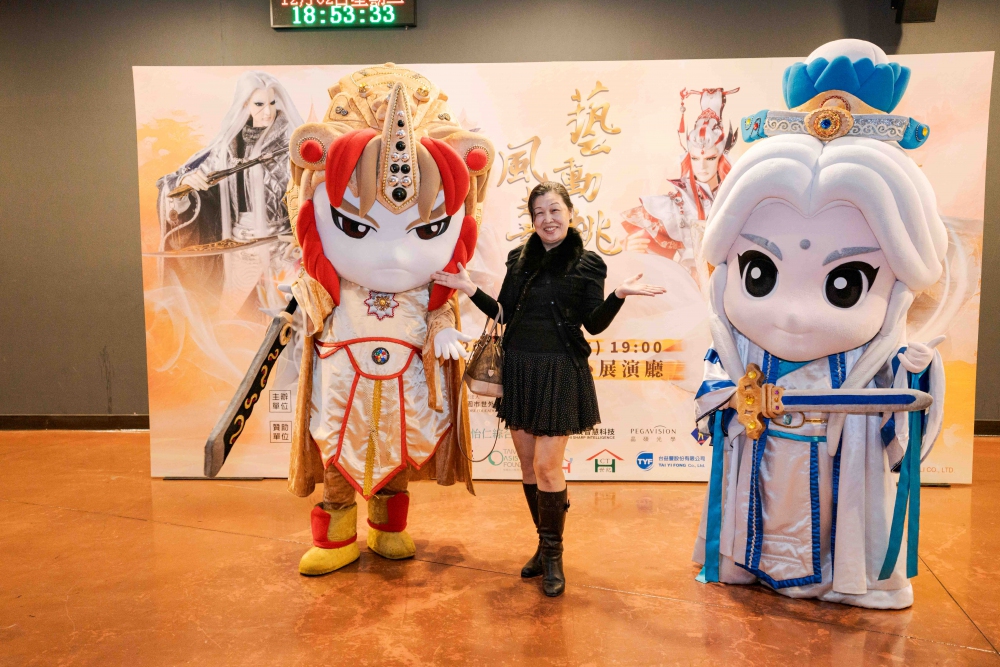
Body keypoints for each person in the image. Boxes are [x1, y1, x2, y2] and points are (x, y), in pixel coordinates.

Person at [692, 40, 944, 609]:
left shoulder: (868, 357)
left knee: (839, 508)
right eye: (758, 272)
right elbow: (714, 387)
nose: (793, 312)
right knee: (754, 506)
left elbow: (901, 412)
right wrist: (730, 395)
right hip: (762, 448)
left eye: (844, 284)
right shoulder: (742, 347)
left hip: (832, 458)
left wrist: (915, 372)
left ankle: (844, 577)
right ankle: (746, 563)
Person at [432, 182, 665, 597]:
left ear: (570, 213)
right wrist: (469, 288)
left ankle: (555, 557)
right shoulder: (519, 259)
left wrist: (618, 295)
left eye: (554, 210)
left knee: (546, 467)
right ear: (533, 220)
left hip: (560, 371)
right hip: (520, 370)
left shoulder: (588, 263)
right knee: (527, 468)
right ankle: (543, 546)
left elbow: (594, 323)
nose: (547, 219)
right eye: (538, 212)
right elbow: (503, 312)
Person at [621, 87, 738, 288]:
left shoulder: (735, 196)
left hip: (735, 283)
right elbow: (644, 246)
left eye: (710, 158)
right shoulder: (676, 204)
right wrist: (629, 247)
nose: (702, 166)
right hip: (689, 289)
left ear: (721, 158)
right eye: (695, 158)